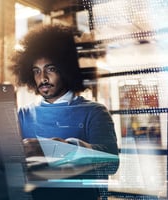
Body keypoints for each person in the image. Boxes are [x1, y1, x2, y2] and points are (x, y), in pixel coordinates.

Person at [9, 24, 119, 200]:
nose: (43, 78)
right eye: (36, 71)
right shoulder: (23, 114)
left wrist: (56, 149)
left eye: (50, 69)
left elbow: (111, 163)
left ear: (67, 69)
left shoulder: (95, 112)